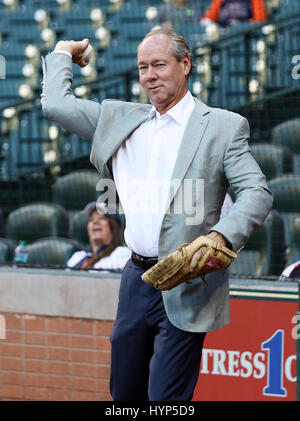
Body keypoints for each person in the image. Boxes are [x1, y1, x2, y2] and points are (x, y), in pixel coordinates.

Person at [41, 26, 273, 401]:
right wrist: (64, 52)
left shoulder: (223, 126)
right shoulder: (119, 119)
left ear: (185, 64)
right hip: (136, 278)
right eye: (143, 67)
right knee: (125, 395)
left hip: (188, 279)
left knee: (166, 399)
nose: (150, 76)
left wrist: (220, 236)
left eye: (160, 65)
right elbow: (56, 104)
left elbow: (257, 192)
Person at [67, 201, 131, 271]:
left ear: (113, 226)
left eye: (101, 218)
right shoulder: (78, 257)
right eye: (91, 220)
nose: (95, 222)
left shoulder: (122, 253)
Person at [201, 0, 267, 30]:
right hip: (224, 35)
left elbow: (260, 22)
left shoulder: (256, 1)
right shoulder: (219, 1)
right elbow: (206, 20)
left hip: (246, 35)